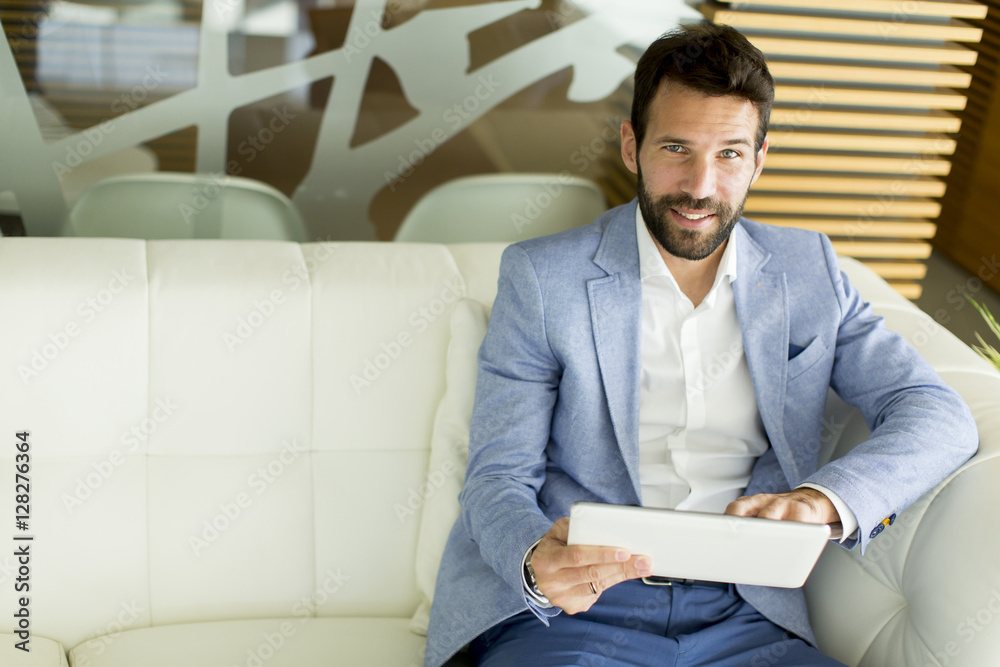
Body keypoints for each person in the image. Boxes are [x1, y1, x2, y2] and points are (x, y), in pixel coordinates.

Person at [424, 21, 978, 667]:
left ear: (759, 159)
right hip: (579, 610)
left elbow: (934, 412)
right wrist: (533, 557)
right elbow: (497, 476)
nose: (700, 186)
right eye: (676, 148)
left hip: (747, 612)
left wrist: (822, 500)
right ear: (631, 147)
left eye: (729, 155)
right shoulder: (544, 278)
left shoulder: (808, 270)